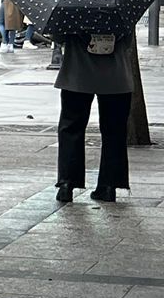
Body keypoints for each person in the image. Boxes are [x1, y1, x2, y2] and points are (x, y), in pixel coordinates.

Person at [54, 29, 136, 203]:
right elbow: (127, 43)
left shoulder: (72, 8)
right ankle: (108, 186)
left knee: (71, 127)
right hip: (116, 77)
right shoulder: (119, 8)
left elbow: (59, 38)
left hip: (76, 76)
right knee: (115, 131)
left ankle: (67, 184)